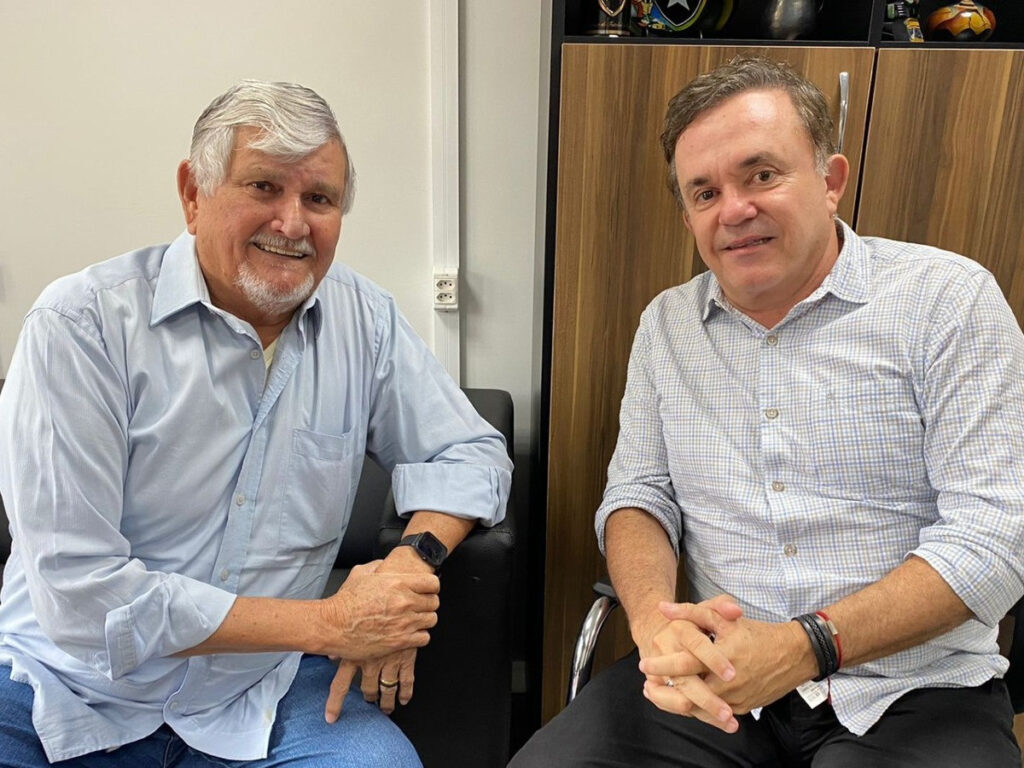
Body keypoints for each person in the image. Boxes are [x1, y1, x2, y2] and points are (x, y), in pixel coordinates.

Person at [511, 57, 1023, 767]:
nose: (734, 210)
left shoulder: (948, 301)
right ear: (688, 216)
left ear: (831, 180)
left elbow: (996, 537)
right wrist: (657, 628)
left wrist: (804, 645)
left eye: (761, 175)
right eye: (705, 192)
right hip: (715, 676)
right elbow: (639, 495)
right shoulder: (667, 326)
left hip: (909, 686)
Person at [0, 80, 512, 767]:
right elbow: (81, 597)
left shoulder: (365, 321)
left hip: (261, 691)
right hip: (62, 690)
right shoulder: (81, 326)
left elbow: (471, 453)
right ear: (193, 194)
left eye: (319, 199)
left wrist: (406, 566)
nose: (293, 224)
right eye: (264, 187)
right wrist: (332, 623)